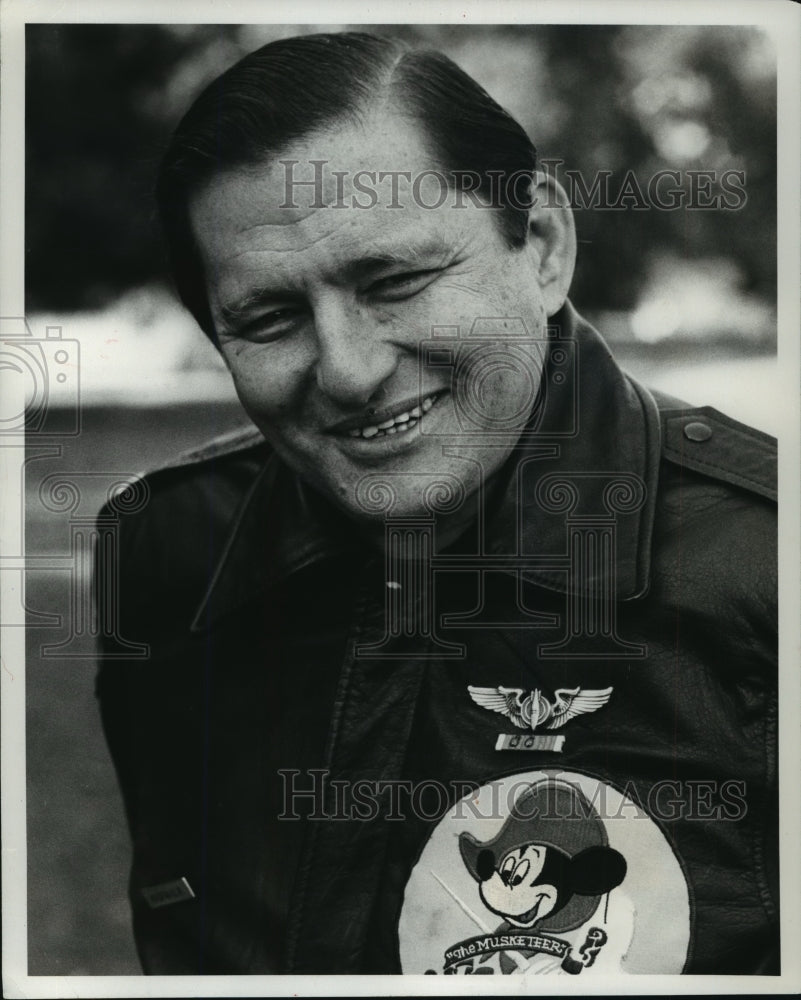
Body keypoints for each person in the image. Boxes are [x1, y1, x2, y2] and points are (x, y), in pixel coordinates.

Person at [95, 32, 778, 976]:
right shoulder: (167, 549)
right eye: (268, 319)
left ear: (539, 245)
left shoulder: (764, 566)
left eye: (395, 282)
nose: (346, 370)